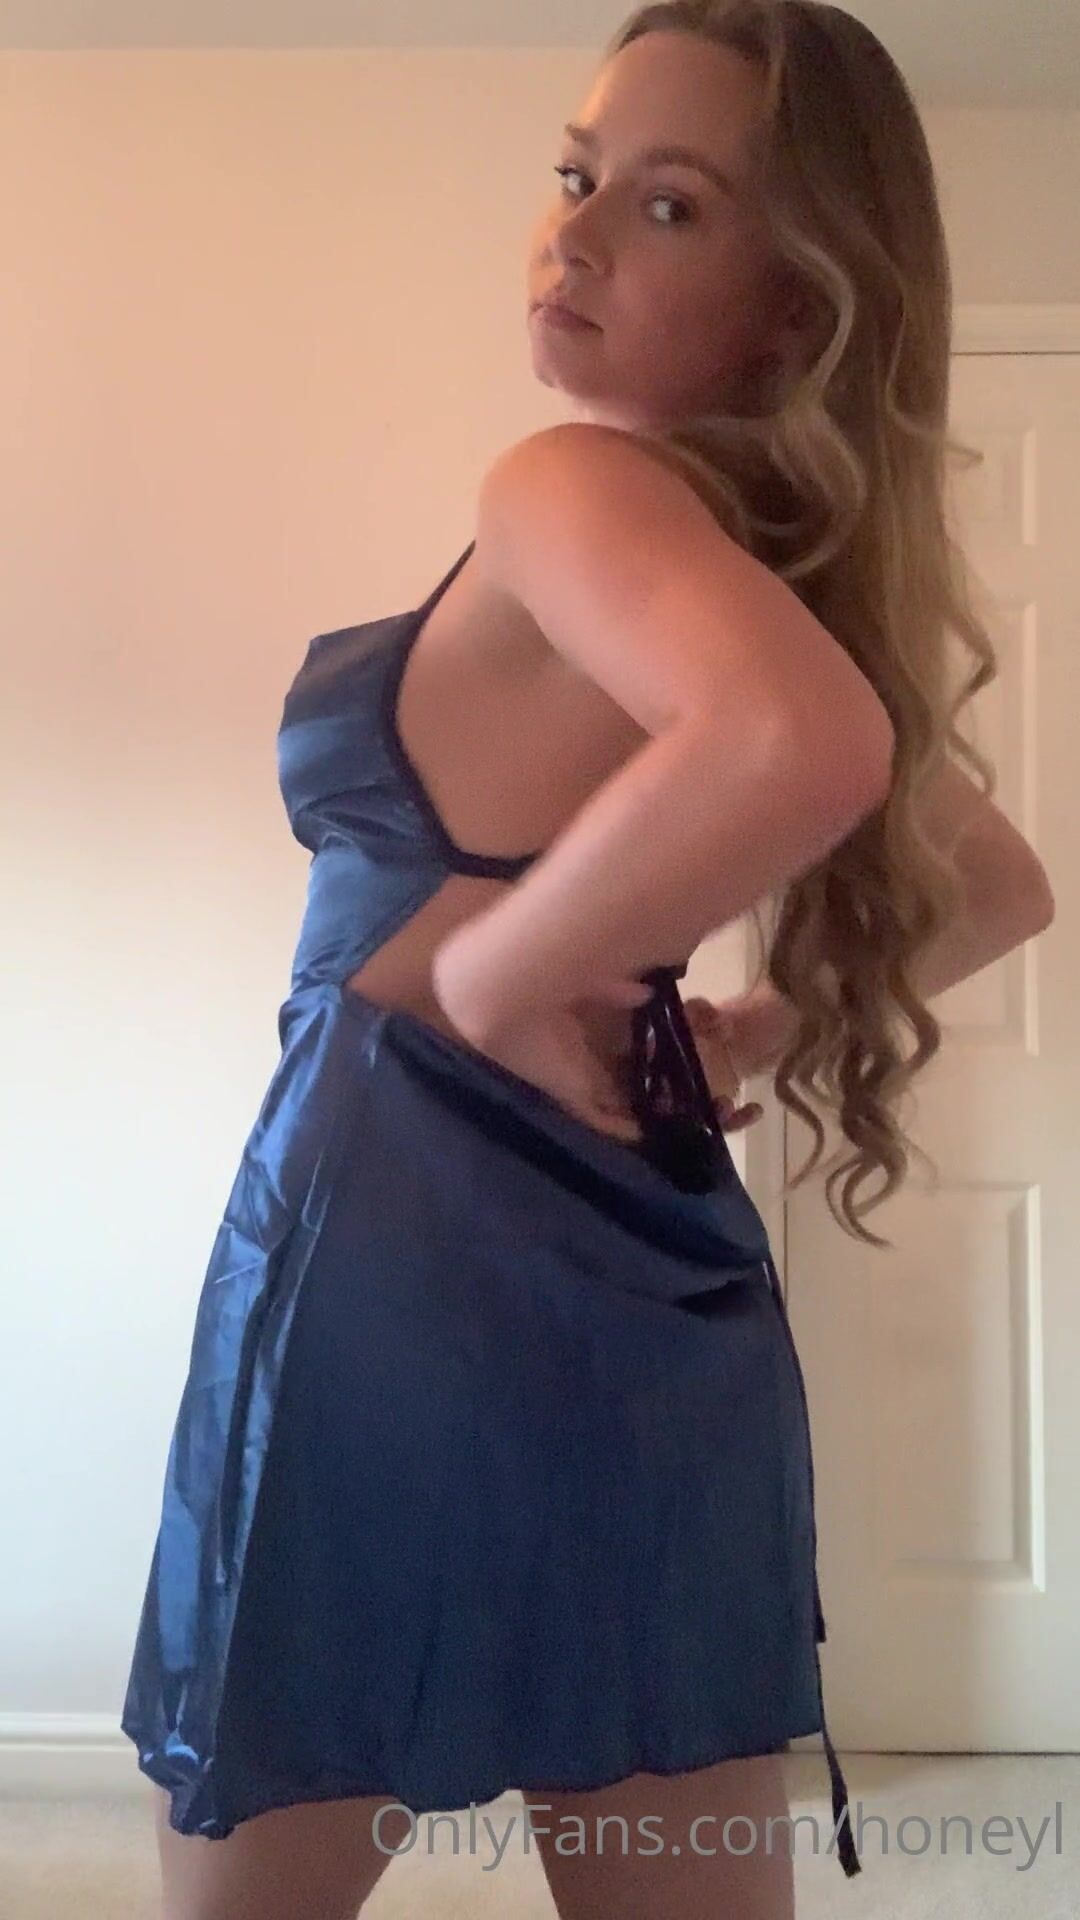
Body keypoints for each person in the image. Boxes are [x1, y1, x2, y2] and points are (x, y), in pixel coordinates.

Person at [122, 5, 1055, 1917]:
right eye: (577, 176)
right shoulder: (750, 564)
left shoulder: (569, 486)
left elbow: (808, 750)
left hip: (386, 1248)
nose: (576, 234)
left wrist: (492, 980)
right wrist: (759, 1028)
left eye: (670, 204)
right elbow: (998, 885)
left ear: (796, 307)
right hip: (647, 1279)